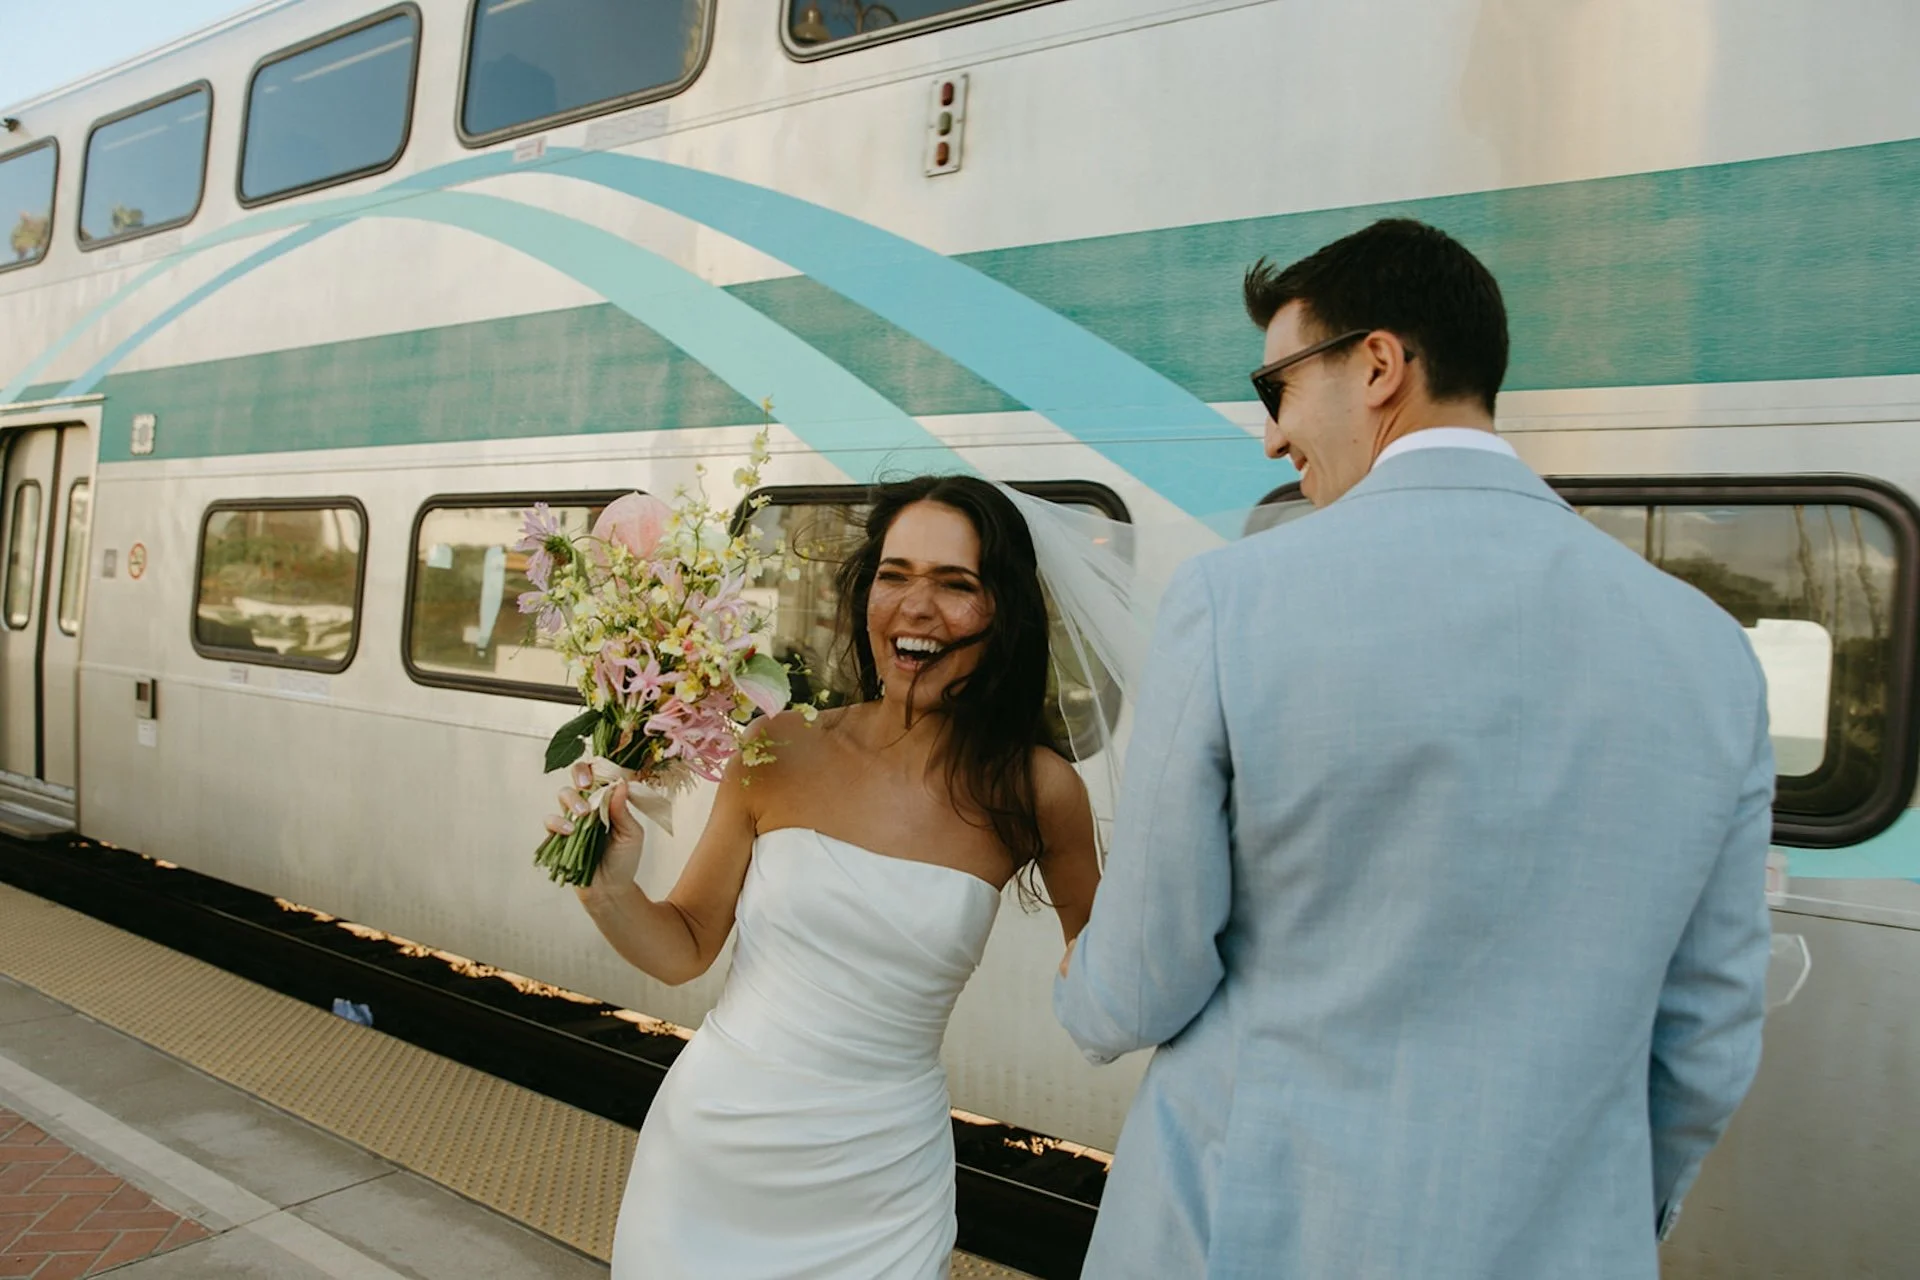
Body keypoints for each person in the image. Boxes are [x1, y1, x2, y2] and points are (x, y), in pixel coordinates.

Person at [1054, 218, 1774, 1279]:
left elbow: (1150, 971)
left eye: (1277, 390)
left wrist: (1085, 986)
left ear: (1380, 364)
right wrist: (1605, 1207)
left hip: (1252, 1227)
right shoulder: (1711, 651)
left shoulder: (1237, 598)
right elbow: (1709, 1030)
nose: (1270, 438)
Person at [545, 474, 1098, 1279]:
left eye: (956, 585)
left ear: (1003, 614)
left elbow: (1107, 971)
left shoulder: (1038, 790)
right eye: (895, 575)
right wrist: (608, 888)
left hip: (881, 1190)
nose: (916, 606)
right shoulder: (777, 747)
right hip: (712, 1161)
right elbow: (686, 947)